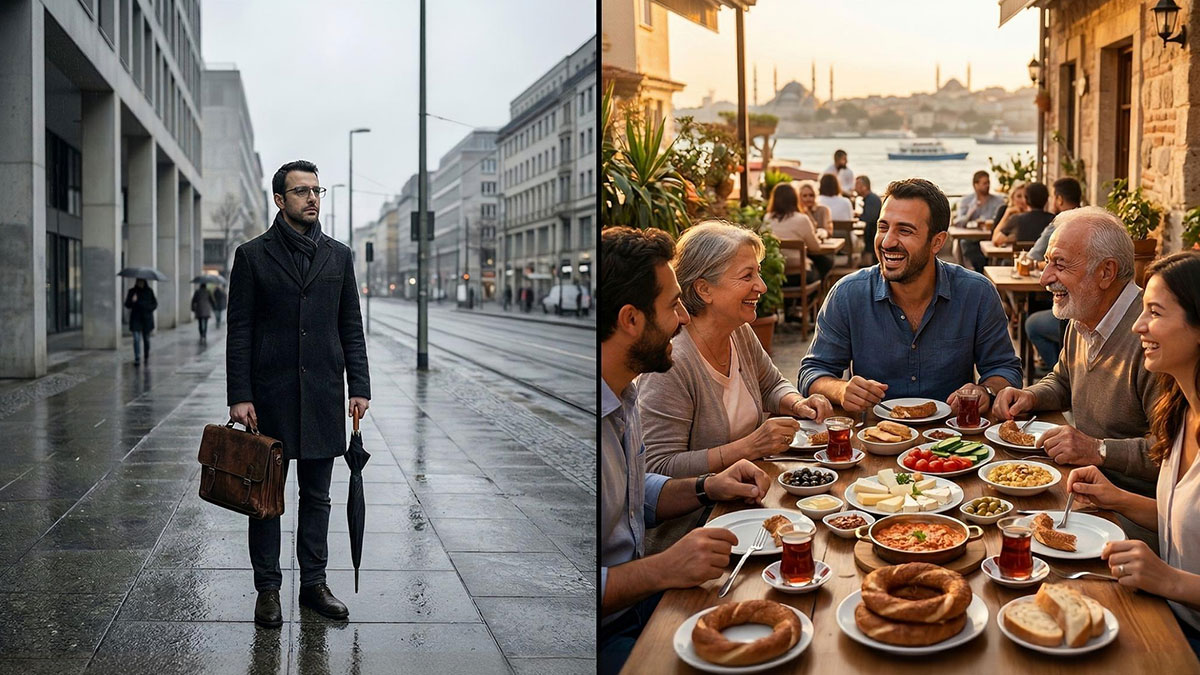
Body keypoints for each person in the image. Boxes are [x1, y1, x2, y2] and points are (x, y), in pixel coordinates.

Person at [600, 226, 772, 674]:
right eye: (672, 305)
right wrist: (663, 568)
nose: (682, 318)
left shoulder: (623, 397)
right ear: (631, 320)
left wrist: (707, 486)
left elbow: (642, 489)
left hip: (644, 597)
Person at [227, 160, 370, 627]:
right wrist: (240, 394)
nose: (312, 198)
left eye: (317, 190)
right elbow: (240, 331)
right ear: (279, 200)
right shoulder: (252, 256)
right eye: (301, 191)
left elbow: (350, 324)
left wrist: (359, 387)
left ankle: (314, 584)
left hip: (324, 393)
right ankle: (267, 590)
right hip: (269, 396)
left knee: (318, 496)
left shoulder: (339, 255)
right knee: (265, 498)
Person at [1062, 251, 1200, 657]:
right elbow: (1186, 523)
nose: (1138, 326)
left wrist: (1169, 580)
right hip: (1164, 611)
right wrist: (1115, 498)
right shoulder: (1179, 410)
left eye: (1154, 313)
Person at [798, 178, 1021, 413]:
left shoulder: (978, 293)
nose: (887, 241)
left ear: (937, 242)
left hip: (952, 439)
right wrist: (841, 390)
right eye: (883, 227)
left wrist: (985, 391)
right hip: (874, 437)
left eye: (904, 230)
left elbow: (1006, 370)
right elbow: (811, 372)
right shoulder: (847, 294)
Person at [639, 220, 833, 478]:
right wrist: (750, 446)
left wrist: (799, 404)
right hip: (703, 513)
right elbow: (657, 467)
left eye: (758, 272)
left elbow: (772, 384)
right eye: (747, 276)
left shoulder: (738, 331)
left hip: (751, 487)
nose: (762, 286)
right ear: (704, 289)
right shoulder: (670, 362)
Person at [992, 207, 1159, 500]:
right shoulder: (1082, 316)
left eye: (1060, 264)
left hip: (1135, 511)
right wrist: (1031, 396)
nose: (1044, 278)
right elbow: (1062, 381)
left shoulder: (1154, 338)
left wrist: (1098, 449)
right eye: (1047, 262)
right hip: (1082, 487)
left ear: (1106, 272)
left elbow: (1175, 454)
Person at [1026, 176, 1084, 369]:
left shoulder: (1060, 224)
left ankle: (1062, 374)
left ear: (1058, 199)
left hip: (1074, 308)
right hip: (1082, 306)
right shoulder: (1093, 221)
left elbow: (1033, 257)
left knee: (1032, 323)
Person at [763, 183, 831, 284]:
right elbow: (815, 247)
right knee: (826, 263)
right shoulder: (802, 219)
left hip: (777, 274)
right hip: (799, 275)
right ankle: (815, 297)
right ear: (795, 199)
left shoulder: (767, 218)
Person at [953, 170, 1005, 273]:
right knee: (964, 243)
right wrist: (970, 213)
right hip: (972, 238)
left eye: (988, 183)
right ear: (975, 185)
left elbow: (1002, 220)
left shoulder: (998, 201)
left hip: (991, 237)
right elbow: (958, 222)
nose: (987, 186)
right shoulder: (966, 201)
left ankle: (984, 273)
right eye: (984, 183)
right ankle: (971, 272)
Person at [992, 182, 1054, 246]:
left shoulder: (1016, 219)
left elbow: (996, 240)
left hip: (1021, 255)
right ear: (1047, 200)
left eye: (1024, 196)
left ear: (1026, 200)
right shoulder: (1054, 219)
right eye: (1019, 196)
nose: (1022, 200)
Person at [125, 278, 157, 365]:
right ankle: (137, 357)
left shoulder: (149, 291)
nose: (140, 283)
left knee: (146, 339)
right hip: (136, 319)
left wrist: (148, 308)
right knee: (136, 339)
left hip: (146, 319)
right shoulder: (132, 291)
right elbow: (127, 305)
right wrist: (132, 300)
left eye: (142, 282)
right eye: (139, 282)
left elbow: (154, 304)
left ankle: (146, 355)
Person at [856, 175, 882, 266]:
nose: (855, 188)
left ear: (864, 186)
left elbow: (871, 218)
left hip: (873, 234)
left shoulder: (872, 199)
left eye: (857, 185)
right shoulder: (870, 199)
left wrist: (858, 217)